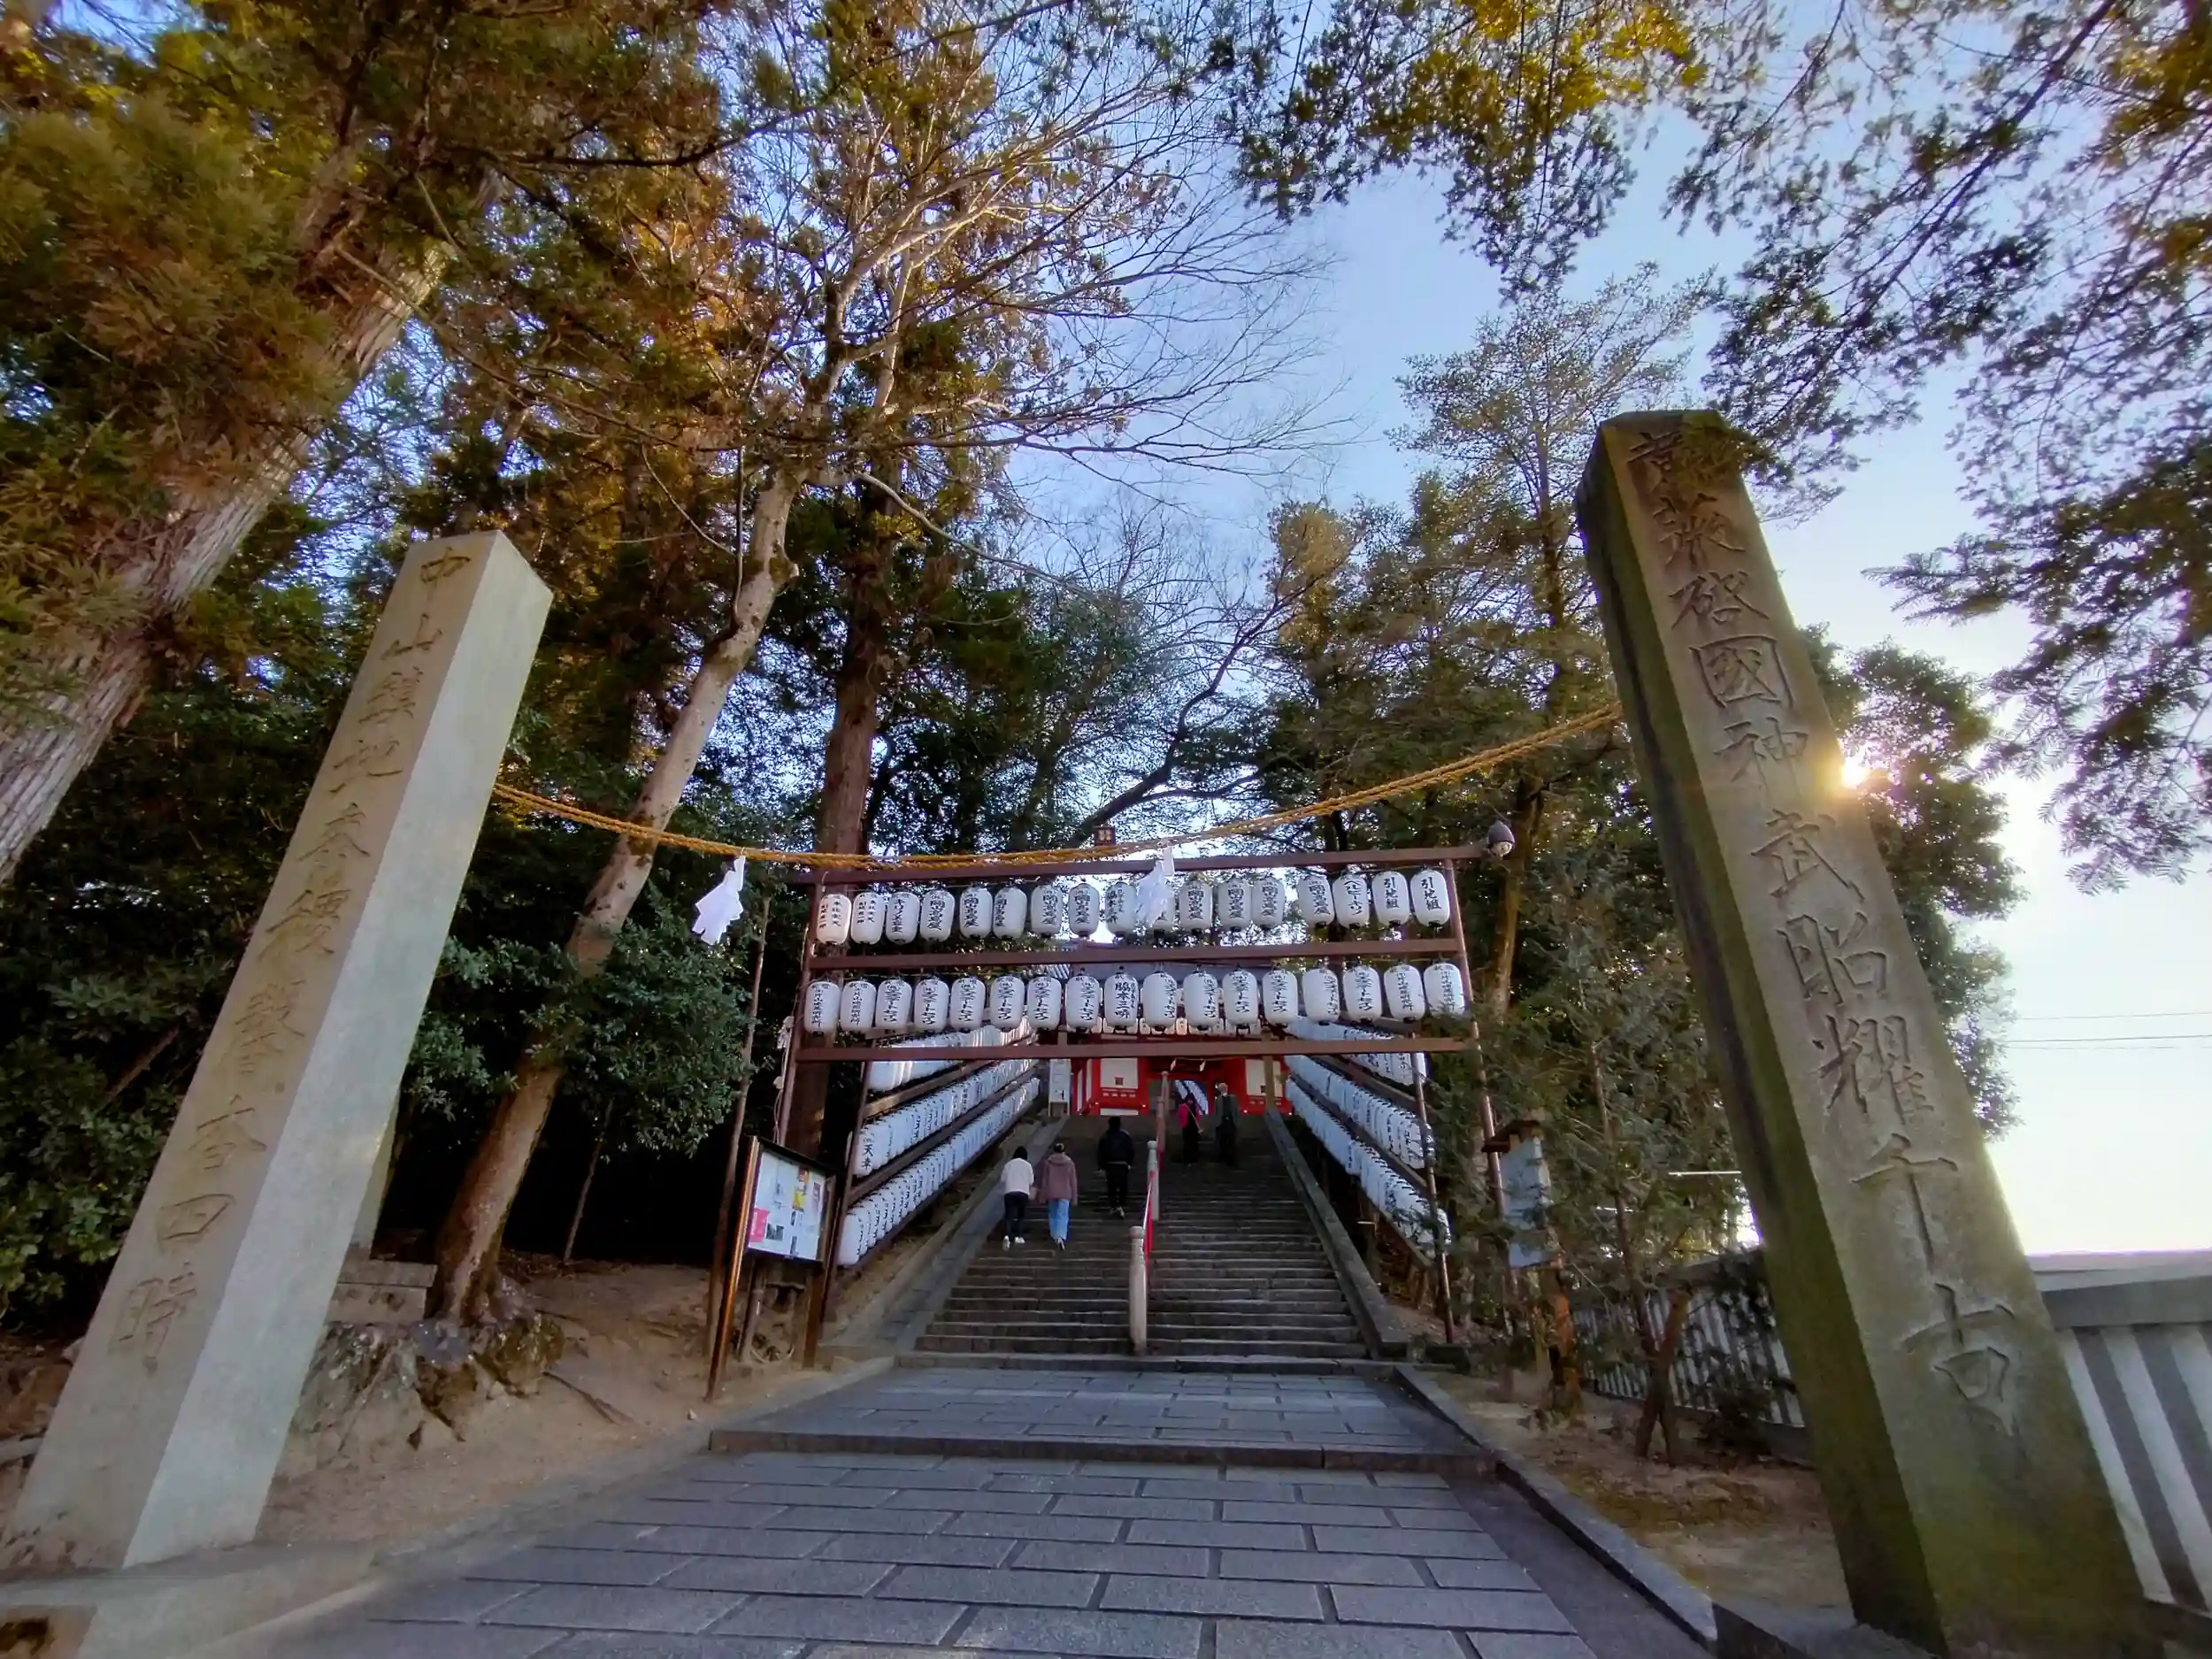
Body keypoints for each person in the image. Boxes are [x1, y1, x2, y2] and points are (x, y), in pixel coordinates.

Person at [1039, 1140, 1080, 1249]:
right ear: (1064, 1151)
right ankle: (1061, 1236)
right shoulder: (1070, 1163)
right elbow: (1073, 1181)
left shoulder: (1048, 1162)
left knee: (1053, 1214)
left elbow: (1045, 1180)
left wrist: (1042, 1196)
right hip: (1065, 1192)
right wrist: (1075, 1197)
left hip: (1051, 1191)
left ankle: (1054, 1235)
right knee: (1063, 1215)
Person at [1099, 1118, 1137, 1217]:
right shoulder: (1125, 1136)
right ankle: (1120, 1204)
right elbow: (1131, 1150)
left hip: (1110, 1164)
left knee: (1111, 1186)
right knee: (1123, 1186)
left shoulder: (1105, 1137)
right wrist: (1129, 1162)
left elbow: (1101, 1152)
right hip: (1122, 1164)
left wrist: (1102, 1166)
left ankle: (1114, 1205)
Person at [1001, 1150, 1033, 1248]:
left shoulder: (1008, 1164)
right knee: (1021, 1215)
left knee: (1009, 1215)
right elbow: (1031, 1181)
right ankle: (1019, 1237)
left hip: (1009, 1192)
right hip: (1023, 1193)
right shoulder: (1028, 1165)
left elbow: (1002, 1179)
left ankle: (1007, 1236)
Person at [1213, 1085, 1240, 1167]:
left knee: (1231, 1142)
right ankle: (1224, 1158)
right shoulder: (1218, 1100)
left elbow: (1236, 1110)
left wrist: (1237, 1122)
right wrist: (1216, 1124)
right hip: (1222, 1123)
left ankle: (1232, 1160)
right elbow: (1216, 1112)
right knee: (1222, 1142)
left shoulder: (1233, 1098)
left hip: (1231, 1122)